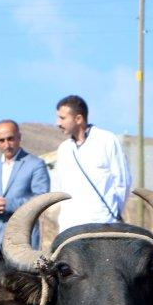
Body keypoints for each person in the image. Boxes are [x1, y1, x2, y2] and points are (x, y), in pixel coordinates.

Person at [52, 95, 131, 232]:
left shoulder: (106, 140)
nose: (57, 123)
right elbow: (58, 188)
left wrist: (112, 214)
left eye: (62, 118)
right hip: (69, 227)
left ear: (78, 119)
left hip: (102, 224)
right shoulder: (64, 149)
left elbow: (122, 182)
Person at [0, 119, 50, 259]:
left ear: (19, 137)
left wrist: (8, 204)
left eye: (10, 139)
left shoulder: (36, 164)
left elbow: (42, 199)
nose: (7, 145)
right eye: (1, 140)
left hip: (23, 244)